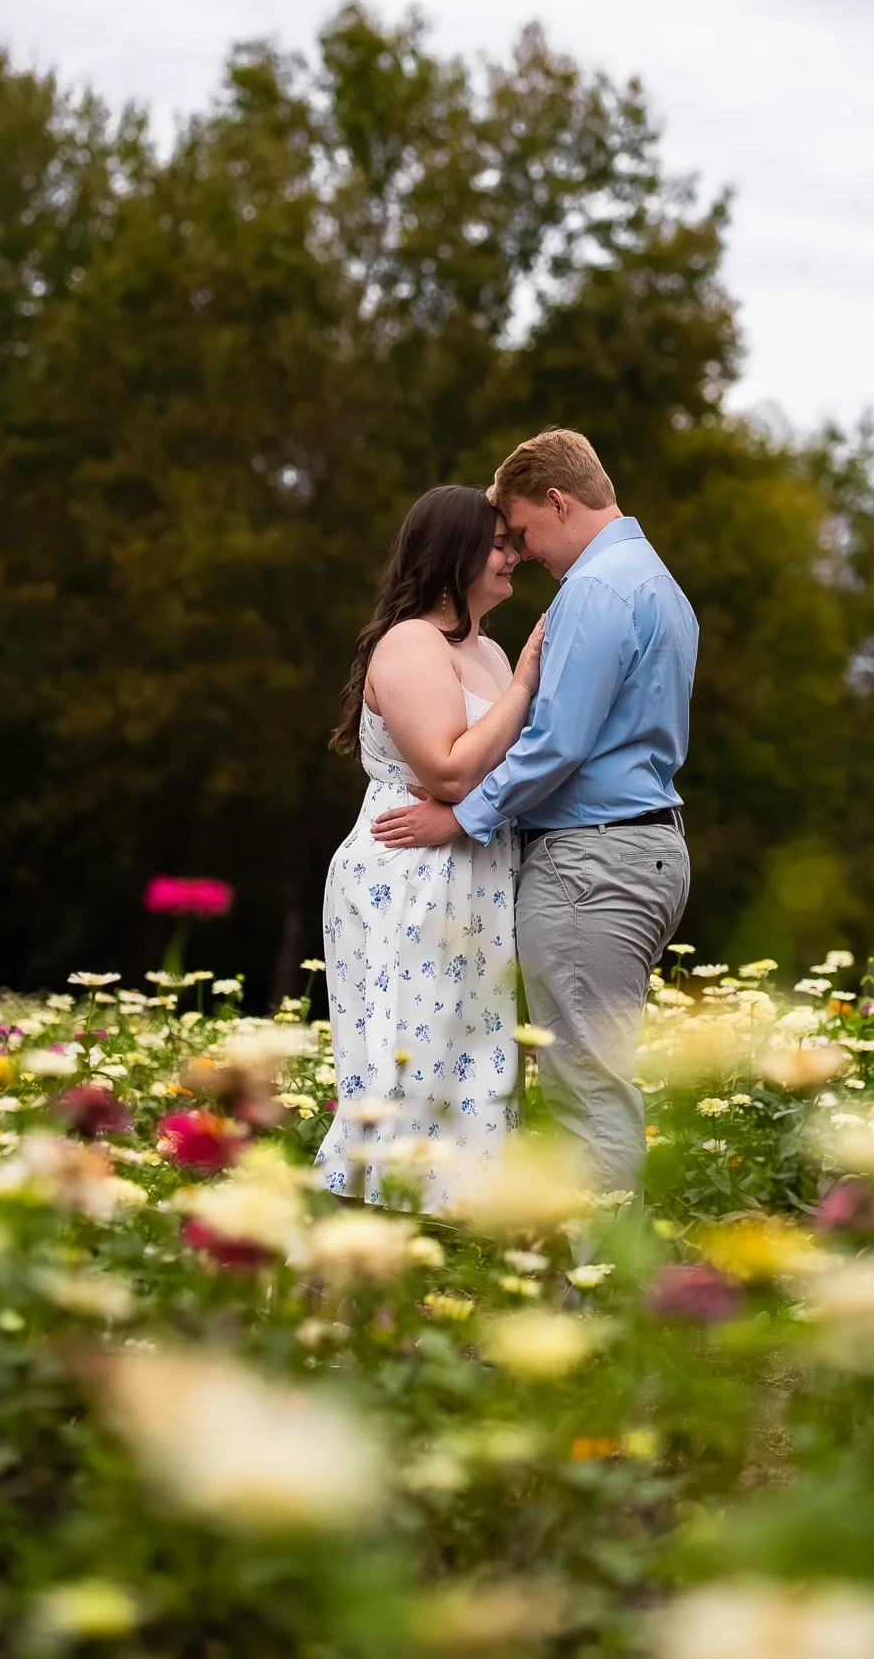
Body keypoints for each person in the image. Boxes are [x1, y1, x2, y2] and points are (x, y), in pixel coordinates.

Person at [373, 430, 696, 1204]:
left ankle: (600, 1294)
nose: (523, 552)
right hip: (641, 851)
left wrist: (462, 818)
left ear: (558, 501)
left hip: (591, 863)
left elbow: (557, 745)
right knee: (594, 1080)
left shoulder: (594, 589)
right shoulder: (660, 585)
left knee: (585, 1093)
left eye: (522, 531)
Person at [317, 486, 544, 1211]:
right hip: (408, 874)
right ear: (454, 554)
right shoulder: (412, 642)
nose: (515, 557)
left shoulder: (489, 651)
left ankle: (441, 1258)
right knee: (404, 1068)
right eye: (499, 544)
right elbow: (448, 768)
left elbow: (508, 770)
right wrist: (531, 680)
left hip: (473, 872)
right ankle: (352, 1268)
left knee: (471, 1066)